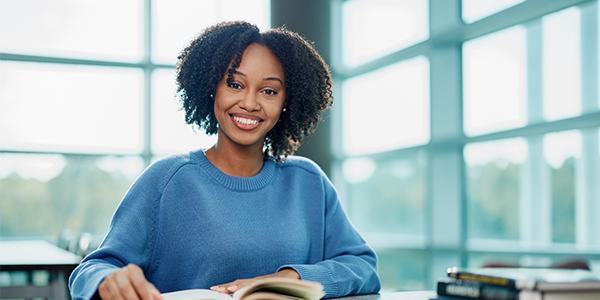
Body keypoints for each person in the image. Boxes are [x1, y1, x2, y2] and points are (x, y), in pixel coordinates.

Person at [69, 21, 381, 300]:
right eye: (235, 84)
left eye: (269, 91)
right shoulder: (167, 180)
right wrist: (108, 281)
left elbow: (363, 267)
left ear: (288, 101)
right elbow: (92, 269)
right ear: (211, 88)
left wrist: (291, 278)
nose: (249, 103)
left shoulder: (308, 182)